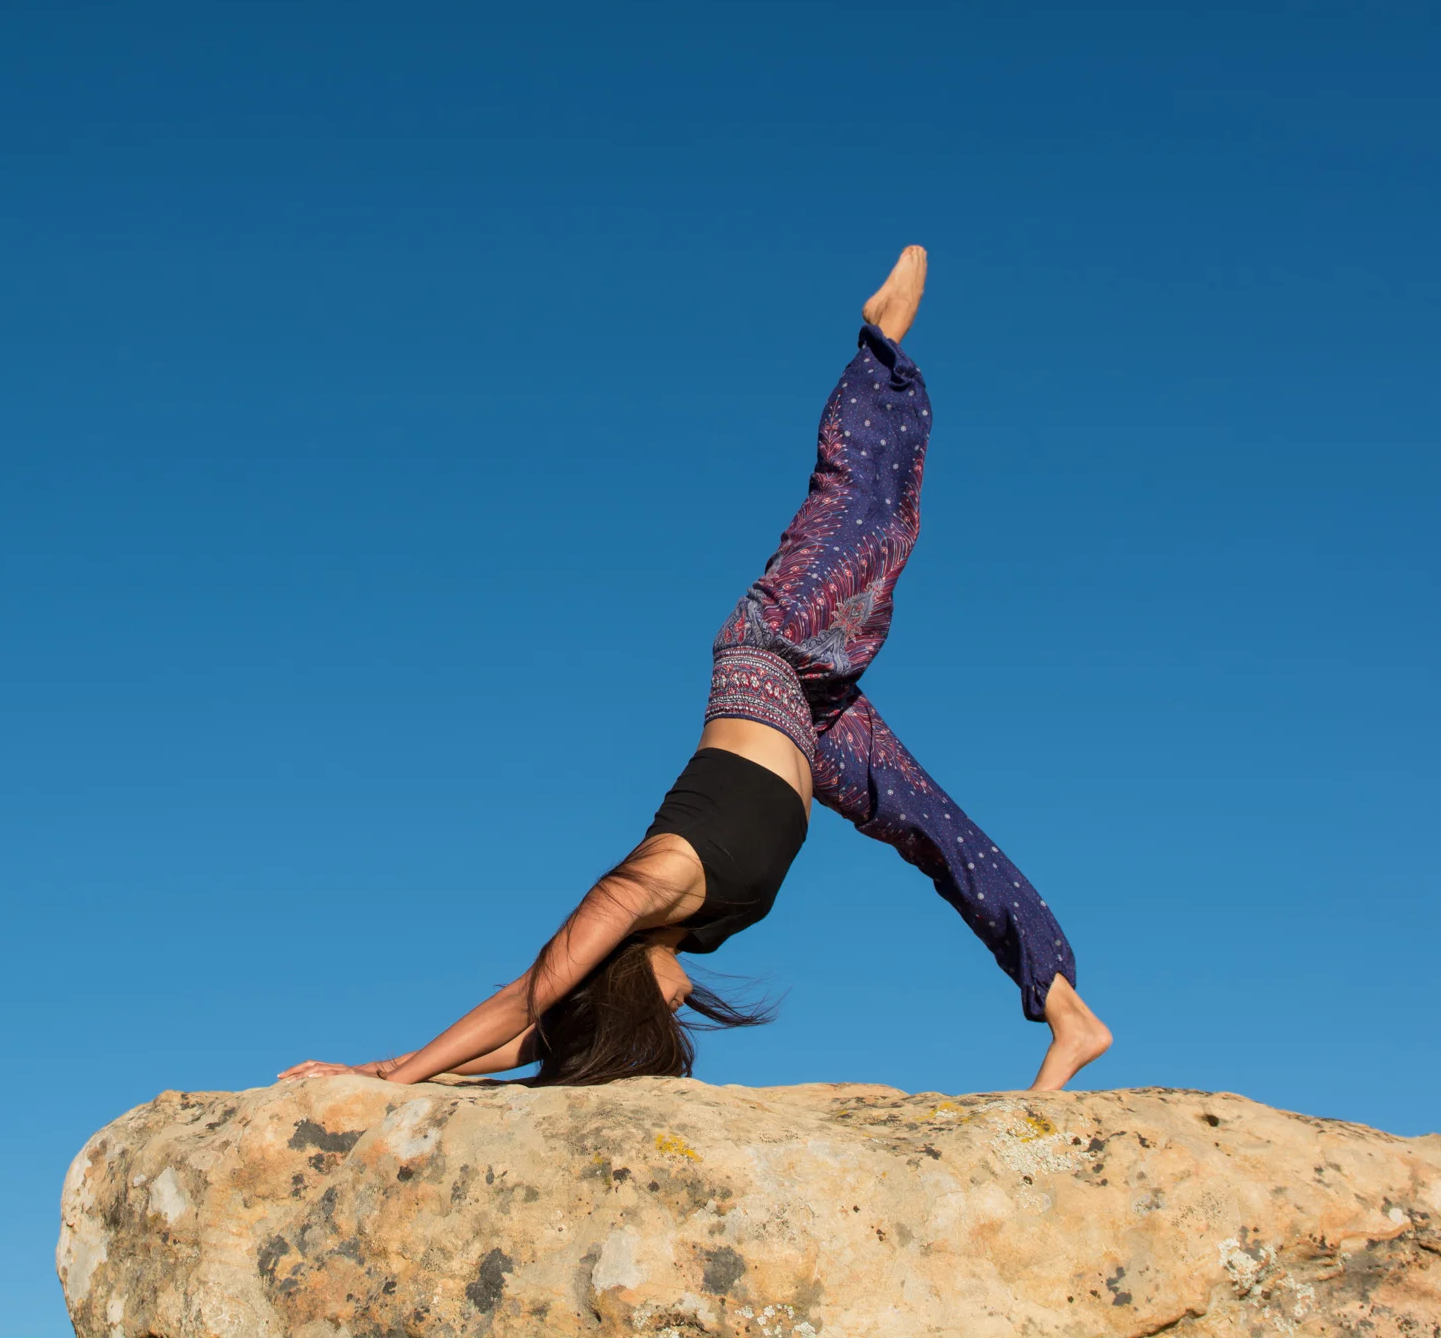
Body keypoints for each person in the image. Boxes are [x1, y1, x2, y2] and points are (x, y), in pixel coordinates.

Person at [280, 248, 1112, 1093]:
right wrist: (407, 1074)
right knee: (937, 831)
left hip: (772, 654)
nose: (678, 1010)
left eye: (654, 1011)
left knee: (855, 506)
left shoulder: (646, 891)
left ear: (622, 984)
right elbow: (535, 1037)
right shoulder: (691, 929)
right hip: (815, 727)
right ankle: (1066, 1010)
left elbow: (526, 997)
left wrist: (397, 1075)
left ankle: (881, 342)